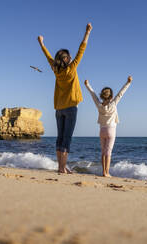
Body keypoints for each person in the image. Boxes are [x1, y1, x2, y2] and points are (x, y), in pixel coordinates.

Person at [37, 23, 92, 173]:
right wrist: (87, 32)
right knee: (66, 139)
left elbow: (48, 57)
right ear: (67, 59)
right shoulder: (71, 68)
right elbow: (82, 49)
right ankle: (62, 168)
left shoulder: (56, 70)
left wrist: (41, 43)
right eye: (69, 56)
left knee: (60, 138)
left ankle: (61, 166)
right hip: (70, 108)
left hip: (59, 109)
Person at [84, 76, 133, 177]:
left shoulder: (99, 105)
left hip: (102, 130)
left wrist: (87, 85)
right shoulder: (114, 104)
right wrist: (128, 83)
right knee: (108, 152)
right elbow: (121, 93)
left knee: (103, 152)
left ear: (102, 96)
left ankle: (103, 172)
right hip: (111, 130)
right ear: (111, 96)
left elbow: (93, 95)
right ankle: (107, 172)